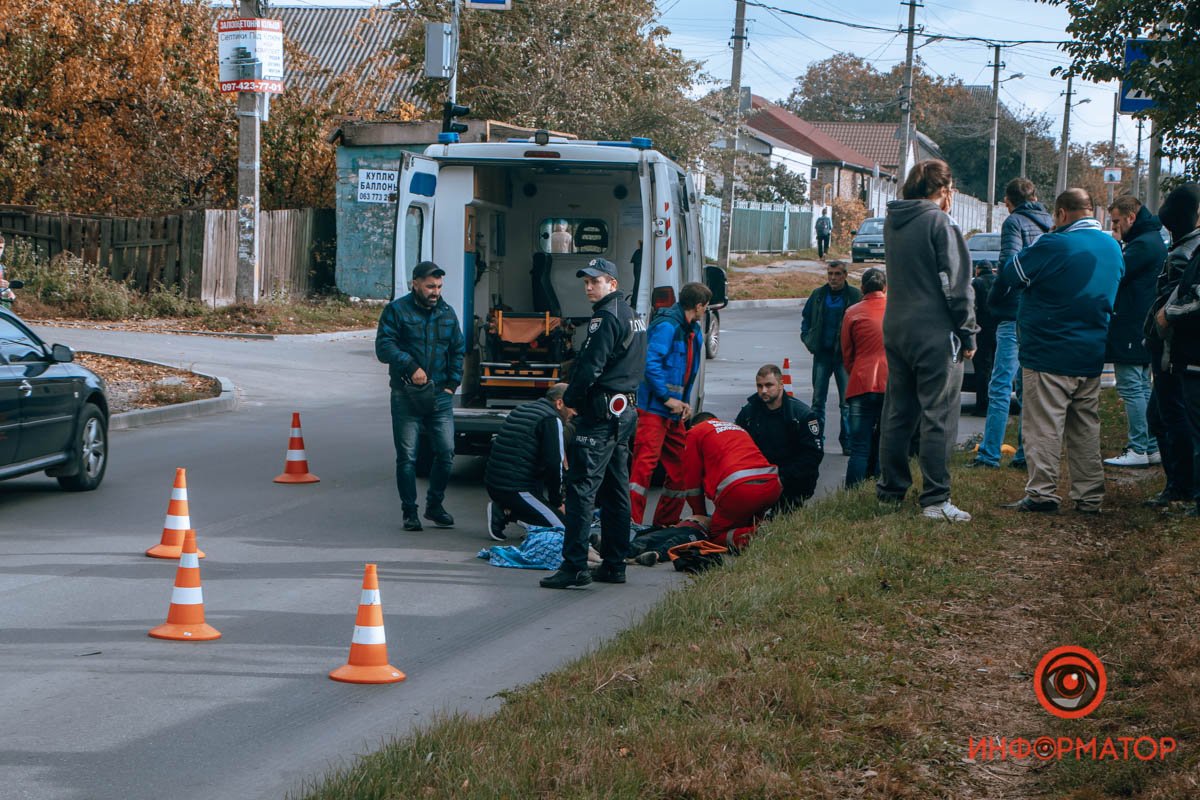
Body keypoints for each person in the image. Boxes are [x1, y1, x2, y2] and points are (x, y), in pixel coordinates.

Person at [995, 188, 1124, 514]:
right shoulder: (1113, 247)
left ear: (1062, 214)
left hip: (1048, 351)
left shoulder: (1054, 244)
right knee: (1085, 427)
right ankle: (1089, 495)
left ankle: (1042, 493)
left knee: (1044, 426)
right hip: (1091, 350)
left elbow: (1012, 273)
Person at [876, 159, 977, 522]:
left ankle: (890, 489)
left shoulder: (893, 219)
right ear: (943, 191)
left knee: (899, 411)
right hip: (934, 329)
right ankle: (936, 499)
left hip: (897, 324)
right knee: (939, 412)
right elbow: (956, 282)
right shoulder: (939, 221)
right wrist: (968, 330)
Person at [540, 258, 647, 589]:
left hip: (601, 415)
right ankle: (615, 564)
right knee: (616, 490)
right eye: (586, 281)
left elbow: (590, 368)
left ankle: (574, 566)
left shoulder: (605, 318)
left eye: (595, 281)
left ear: (612, 284)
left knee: (581, 489)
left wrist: (570, 400)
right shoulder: (633, 316)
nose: (588, 286)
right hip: (625, 412)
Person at [375, 261, 465, 532]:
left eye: (438, 287)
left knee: (447, 452)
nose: (434, 291)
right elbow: (383, 347)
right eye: (429, 286)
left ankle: (434, 505)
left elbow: (457, 349)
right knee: (408, 457)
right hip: (406, 394)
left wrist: (452, 384)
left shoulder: (447, 313)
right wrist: (410, 365)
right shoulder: (397, 311)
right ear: (415, 283)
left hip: (440, 396)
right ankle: (409, 512)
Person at [975, 179, 1053, 469]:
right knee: (1027, 386)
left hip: (1013, 310)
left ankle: (989, 453)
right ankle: (1023, 452)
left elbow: (1009, 265)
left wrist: (994, 300)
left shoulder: (1014, 222)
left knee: (999, 385)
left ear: (1009, 201)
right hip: (1039, 310)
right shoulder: (1050, 223)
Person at [630, 281, 710, 526]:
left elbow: (686, 374)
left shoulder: (690, 331)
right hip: (654, 410)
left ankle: (664, 524)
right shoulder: (668, 327)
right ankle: (631, 525)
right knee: (644, 469)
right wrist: (667, 398)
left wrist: (683, 404)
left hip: (673, 412)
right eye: (705, 307)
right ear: (697, 306)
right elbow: (650, 364)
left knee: (681, 470)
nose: (705, 311)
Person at [1143, 184, 1200, 508]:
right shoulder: (1185, 247)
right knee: (1166, 416)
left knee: (1169, 416)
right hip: (1173, 350)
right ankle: (1180, 484)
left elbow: (1176, 303)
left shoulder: (1183, 253)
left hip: (1174, 351)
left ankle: (1180, 486)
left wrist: (1164, 318)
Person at [1103, 194, 1167, 468]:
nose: (1114, 226)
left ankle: (1139, 446)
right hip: (1142, 324)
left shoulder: (1141, 246)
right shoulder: (1151, 240)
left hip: (1131, 324)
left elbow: (1117, 274)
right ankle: (1150, 446)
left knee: (1131, 387)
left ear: (1131, 216)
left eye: (1116, 221)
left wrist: (1115, 243)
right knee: (1142, 387)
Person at [485, 383, 575, 541]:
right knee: (565, 529)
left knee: (543, 509)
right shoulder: (552, 419)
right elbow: (554, 465)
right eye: (573, 407)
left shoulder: (523, 408)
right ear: (559, 403)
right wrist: (557, 502)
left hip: (495, 484)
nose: (574, 413)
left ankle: (507, 508)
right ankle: (505, 513)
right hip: (517, 489)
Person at [681, 413, 782, 551]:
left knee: (716, 535)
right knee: (747, 523)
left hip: (740, 489)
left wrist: (700, 515)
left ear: (694, 426)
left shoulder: (695, 432)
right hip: (771, 484)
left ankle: (757, 535)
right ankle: (770, 530)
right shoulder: (736, 428)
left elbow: (692, 482)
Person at [735, 364, 823, 510]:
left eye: (769, 385)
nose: (763, 391)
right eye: (759, 386)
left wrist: (782, 478)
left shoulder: (802, 415)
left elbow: (813, 456)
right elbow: (736, 444)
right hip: (759, 475)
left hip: (791, 479)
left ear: (781, 385)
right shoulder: (749, 413)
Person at [800, 260, 861, 454]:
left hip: (844, 357)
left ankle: (848, 442)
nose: (833, 278)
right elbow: (806, 319)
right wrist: (808, 339)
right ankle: (817, 440)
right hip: (822, 356)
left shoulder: (854, 296)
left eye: (837, 274)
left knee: (846, 403)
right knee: (818, 401)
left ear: (845, 275)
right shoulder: (819, 295)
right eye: (830, 274)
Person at [841, 267, 888, 488]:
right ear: (885, 288)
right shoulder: (895, 310)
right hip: (890, 384)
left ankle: (851, 494)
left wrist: (856, 371)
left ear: (862, 288)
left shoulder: (852, 312)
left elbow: (847, 352)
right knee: (884, 443)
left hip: (860, 383)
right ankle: (877, 489)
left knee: (859, 447)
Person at [969, 261, 997, 416]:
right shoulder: (998, 281)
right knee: (997, 369)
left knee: (982, 369)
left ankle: (982, 405)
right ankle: (996, 404)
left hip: (982, 331)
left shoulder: (976, 283)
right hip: (999, 330)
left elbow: (972, 307)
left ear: (977, 270)